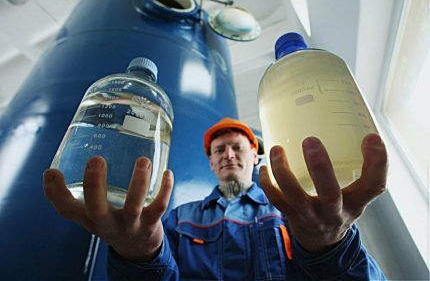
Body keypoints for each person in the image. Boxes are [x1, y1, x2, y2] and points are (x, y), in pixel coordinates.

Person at [43, 117, 388, 280]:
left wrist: (333, 245)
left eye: (238, 148)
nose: (229, 155)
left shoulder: (297, 211)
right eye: (219, 150)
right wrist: (138, 255)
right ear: (210, 162)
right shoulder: (175, 220)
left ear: (255, 157)